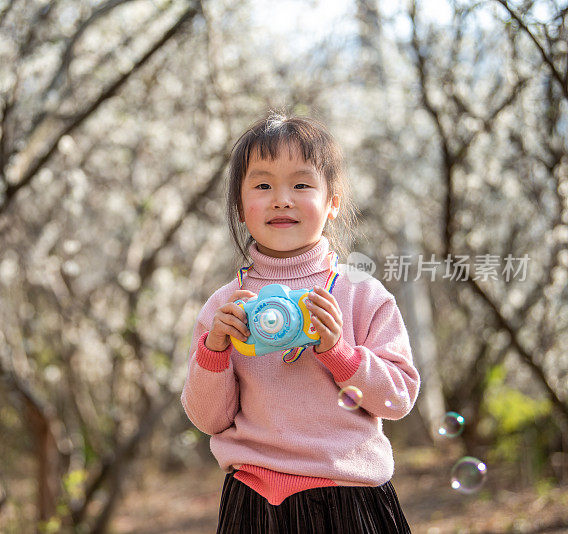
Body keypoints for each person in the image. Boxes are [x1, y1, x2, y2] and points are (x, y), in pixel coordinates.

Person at [180, 112, 419, 533]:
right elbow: (208, 419)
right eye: (263, 184)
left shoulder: (362, 294)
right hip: (254, 502)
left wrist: (339, 353)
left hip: (350, 495)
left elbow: (398, 399)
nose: (282, 199)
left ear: (333, 201)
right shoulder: (226, 307)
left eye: (302, 184)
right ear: (239, 203)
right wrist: (214, 350)